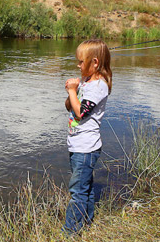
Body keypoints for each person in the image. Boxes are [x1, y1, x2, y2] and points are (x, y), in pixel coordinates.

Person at [63, 38, 112, 233]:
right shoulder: (86, 82)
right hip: (77, 145)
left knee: (77, 192)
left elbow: (80, 113)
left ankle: (70, 232)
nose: (78, 65)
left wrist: (74, 91)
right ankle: (87, 222)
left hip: (86, 148)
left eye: (81, 62)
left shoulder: (99, 86)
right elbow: (70, 106)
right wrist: (70, 92)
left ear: (95, 62)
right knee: (86, 188)